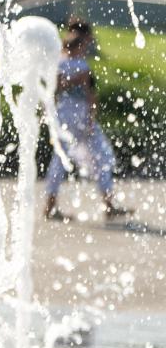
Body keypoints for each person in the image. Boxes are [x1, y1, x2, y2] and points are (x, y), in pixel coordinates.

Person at [44, 17, 131, 222]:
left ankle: (50, 205)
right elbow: (92, 96)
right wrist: (91, 120)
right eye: (86, 42)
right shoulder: (82, 66)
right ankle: (109, 204)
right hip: (81, 117)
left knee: (59, 158)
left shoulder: (58, 63)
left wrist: (47, 113)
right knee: (100, 156)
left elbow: (51, 90)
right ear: (81, 43)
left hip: (62, 115)